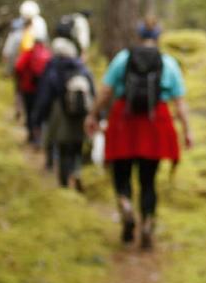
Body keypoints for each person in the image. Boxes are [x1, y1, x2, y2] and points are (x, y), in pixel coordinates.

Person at [85, 17, 193, 249]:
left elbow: (105, 92)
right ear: (158, 37)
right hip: (156, 121)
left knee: (121, 174)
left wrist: (93, 115)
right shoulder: (169, 63)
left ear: (138, 35)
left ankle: (125, 203)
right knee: (148, 180)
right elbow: (180, 103)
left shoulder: (123, 59)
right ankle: (147, 222)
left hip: (124, 119)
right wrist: (187, 131)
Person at [33, 32, 95, 191]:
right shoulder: (82, 68)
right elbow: (92, 93)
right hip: (80, 114)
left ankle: (64, 183)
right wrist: (95, 115)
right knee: (77, 147)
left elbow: (45, 95)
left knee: (63, 149)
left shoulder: (53, 68)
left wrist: (38, 118)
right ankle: (77, 172)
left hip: (60, 114)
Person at [14, 35, 51, 144]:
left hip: (28, 88)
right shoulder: (47, 54)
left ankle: (31, 136)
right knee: (40, 112)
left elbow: (18, 67)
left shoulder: (28, 53)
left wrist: (20, 83)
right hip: (42, 90)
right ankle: (40, 137)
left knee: (30, 112)